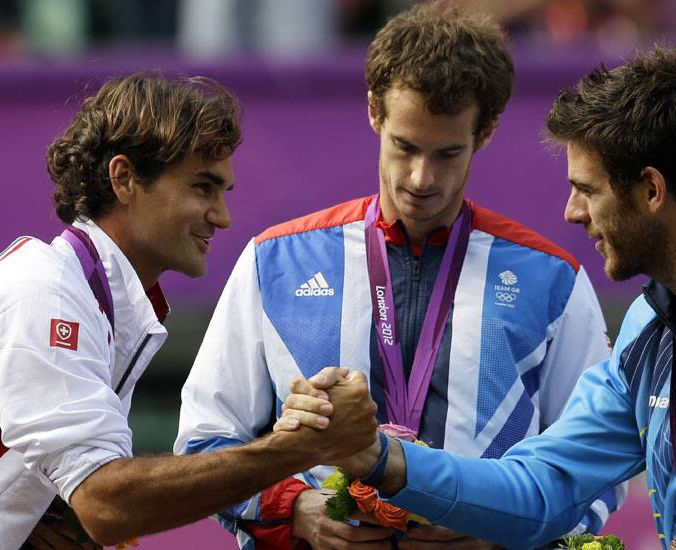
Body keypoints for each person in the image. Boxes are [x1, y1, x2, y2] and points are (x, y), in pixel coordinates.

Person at [280, 44, 676, 548]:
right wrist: (376, 458)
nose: (571, 212)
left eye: (586, 190)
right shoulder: (651, 323)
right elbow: (541, 488)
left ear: (650, 190)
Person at [175, 3, 621, 549]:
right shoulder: (275, 261)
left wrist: (500, 529)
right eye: (404, 146)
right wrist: (297, 509)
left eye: (447, 153)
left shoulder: (553, 280)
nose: (420, 178)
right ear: (373, 113)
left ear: (486, 133)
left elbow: (595, 471)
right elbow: (202, 446)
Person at [0, 73, 378, 549]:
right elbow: (105, 503)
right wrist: (304, 446)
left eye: (223, 192)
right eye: (203, 188)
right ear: (124, 179)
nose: (222, 215)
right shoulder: (44, 294)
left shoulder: (90, 298)